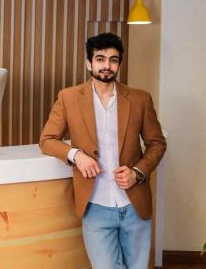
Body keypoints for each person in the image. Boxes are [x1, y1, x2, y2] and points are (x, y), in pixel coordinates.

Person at [39, 33, 166, 269]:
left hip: (134, 205)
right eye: (100, 59)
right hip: (95, 205)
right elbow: (47, 140)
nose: (107, 66)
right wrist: (76, 155)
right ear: (89, 63)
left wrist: (138, 172)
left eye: (113, 60)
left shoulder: (140, 99)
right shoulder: (68, 98)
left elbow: (157, 143)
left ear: (119, 64)